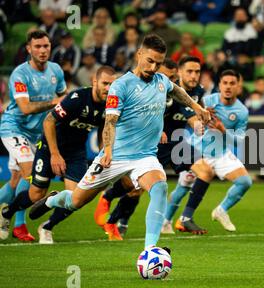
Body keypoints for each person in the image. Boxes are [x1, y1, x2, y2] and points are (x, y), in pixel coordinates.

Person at [26, 34, 210, 252]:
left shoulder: (161, 82)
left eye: (158, 63)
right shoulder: (121, 86)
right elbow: (110, 122)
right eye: (150, 61)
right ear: (139, 54)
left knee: (159, 187)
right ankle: (54, 200)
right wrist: (108, 151)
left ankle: (150, 250)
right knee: (75, 202)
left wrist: (198, 108)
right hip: (115, 157)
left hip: (145, 157)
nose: (153, 67)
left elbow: (176, 91)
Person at [0, 67, 115, 244]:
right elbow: (48, 121)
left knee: (76, 198)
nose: (108, 88)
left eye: (112, 84)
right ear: (94, 81)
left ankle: (47, 227)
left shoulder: (109, 106)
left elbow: (103, 129)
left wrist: (103, 152)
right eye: (105, 83)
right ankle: (7, 212)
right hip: (49, 148)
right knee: (36, 194)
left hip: (75, 153)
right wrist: (54, 154)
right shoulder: (77, 99)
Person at [95, 56, 207, 238]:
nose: (194, 76)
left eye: (197, 72)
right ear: (180, 73)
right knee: (135, 190)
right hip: (156, 144)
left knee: (205, 170)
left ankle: (185, 218)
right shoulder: (160, 90)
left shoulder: (193, 92)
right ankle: (113, 218)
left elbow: (194, 110)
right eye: (190, 71)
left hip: (177, 142)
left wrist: (204, 117)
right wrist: (160, 128)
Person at [0, 30, 66, 241]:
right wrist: (53, 103)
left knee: (16, 180)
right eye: (37, 46)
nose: (42, 50)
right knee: (31, 174)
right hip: (14, 128)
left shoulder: (56, 70)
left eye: (46, 46)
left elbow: (64, 97)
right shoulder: (20, 74)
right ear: (29, 49)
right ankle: (17, 223)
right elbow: (26, 108)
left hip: (37, 134)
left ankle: (11, 218)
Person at [177, 69, 252, 232]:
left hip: (220, 154)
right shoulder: (207, 100)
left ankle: (221, 210)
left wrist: (223, 130)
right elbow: (190, 120)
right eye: (225, 83)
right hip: (197, 150)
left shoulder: (242, 111)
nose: (228, 87)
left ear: (238, 86)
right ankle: (166, 221)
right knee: (183, 187)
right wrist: (201, 115)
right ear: (219, 85)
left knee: (245, 181)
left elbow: (239, 140)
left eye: (232, 83)